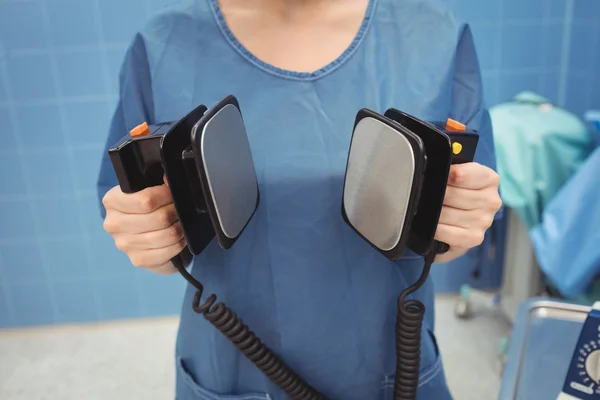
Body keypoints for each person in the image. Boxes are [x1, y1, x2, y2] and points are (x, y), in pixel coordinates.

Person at [98, 0, 502, 398]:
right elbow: (155, 225)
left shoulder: (435, 35)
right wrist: (150, 237)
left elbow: (453, 228)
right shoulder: (163, 45)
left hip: (386, 363)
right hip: (232, 362)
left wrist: (459, 225)